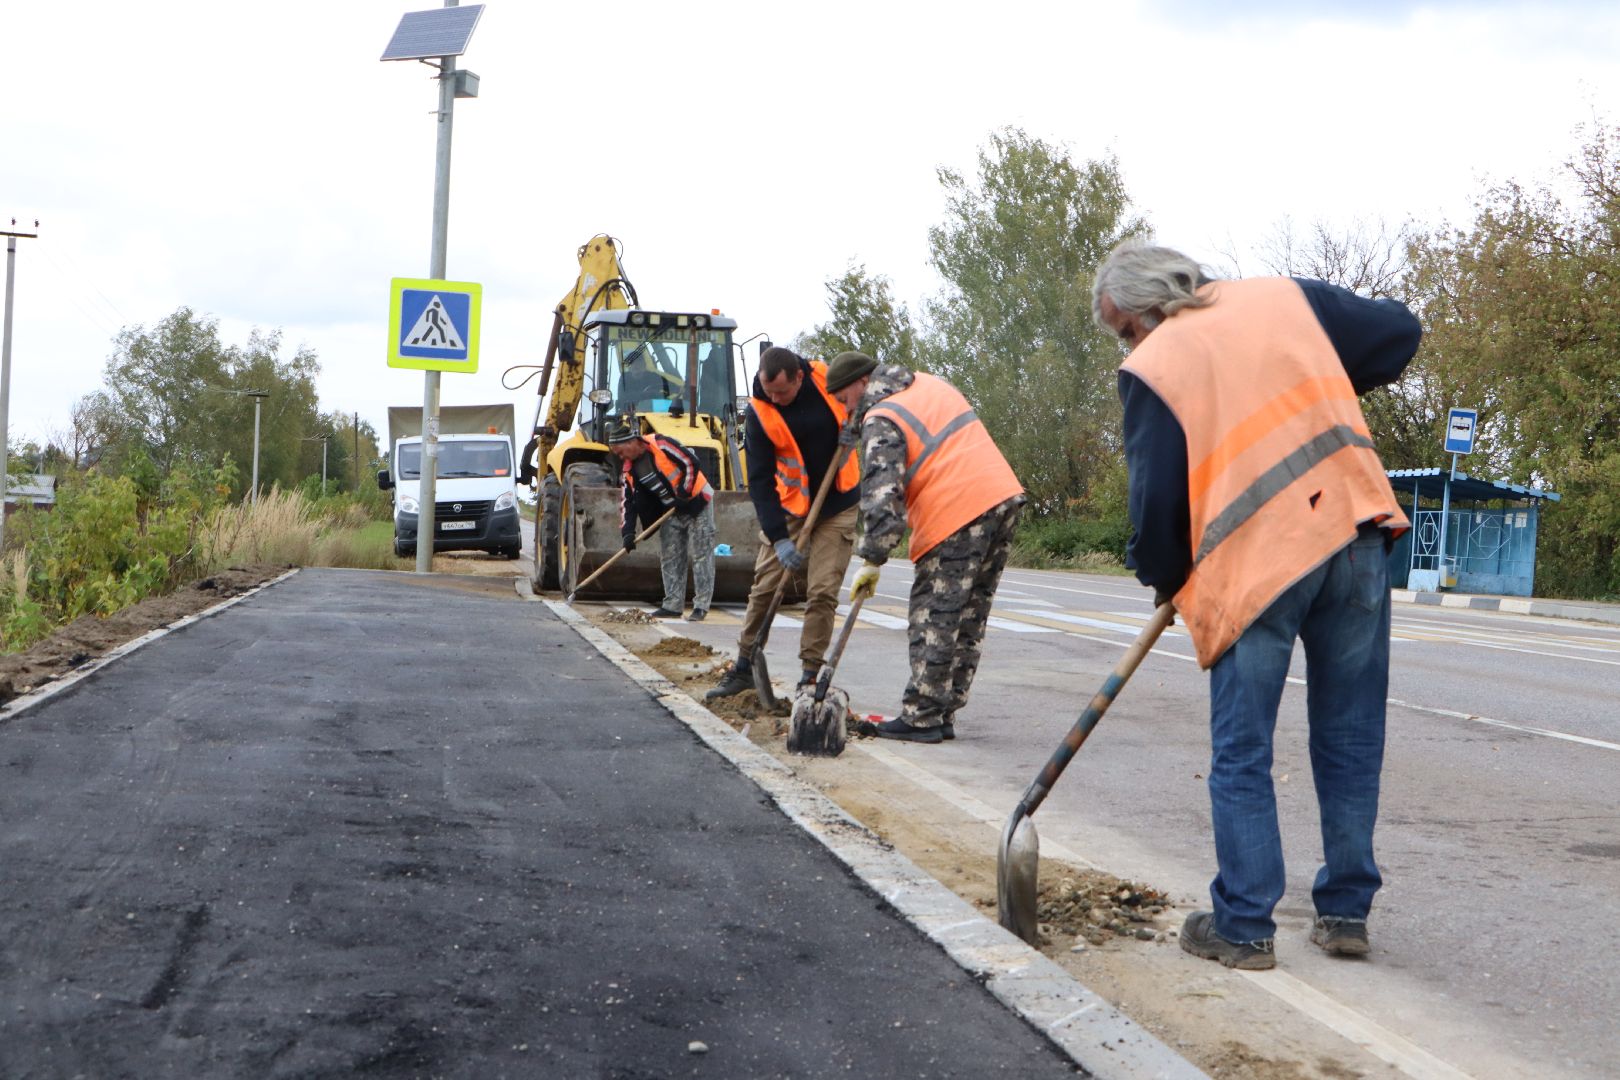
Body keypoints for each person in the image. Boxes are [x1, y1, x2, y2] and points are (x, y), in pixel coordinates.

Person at [1093, 240, 1422, 971]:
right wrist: (1315, 373)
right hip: (1356, 531)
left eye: (1124, 329)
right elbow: (1400, 330)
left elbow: (1155, 501)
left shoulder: (1155, 365)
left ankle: (1243, 926)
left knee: (1242, 749)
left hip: (1261, 560)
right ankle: (1344, 912)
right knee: (1350, 737)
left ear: (1151, 305)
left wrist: (1163, 574)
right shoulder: (1283, 299)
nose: (1128, 343)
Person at [825, 351, 1026, 745]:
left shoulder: (882, 416)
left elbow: (883, 499)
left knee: (934, 614)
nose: (845, 407)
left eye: (843, 399)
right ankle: (943, 709)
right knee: (969, 615)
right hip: (1002, 498)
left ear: (861, 384)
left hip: (958, 510)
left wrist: (872, 558)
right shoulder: (925, 384)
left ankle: (922, 717)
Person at [705, 347, 861, 699]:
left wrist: (856, 434)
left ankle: (809, 674)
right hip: (791, 509)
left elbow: (864, 400)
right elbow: (759, 482)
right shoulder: (760, 414)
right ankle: (743, 665)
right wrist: (778, 538)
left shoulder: (826, 377)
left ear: (799, 377)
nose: (773, 398)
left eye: (781, 392)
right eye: (767, 390)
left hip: (838, 504)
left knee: (821, 592)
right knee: (763, 589)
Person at [606, 419, 715, 621]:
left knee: (701, 554)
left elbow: (691, 462)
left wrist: (684, 492)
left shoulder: (661, 444)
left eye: (620, 452)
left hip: (698, 501)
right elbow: (627, 503)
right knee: (671, 557)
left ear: (631, 442)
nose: (620, 457)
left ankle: (701, 606)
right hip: (670, 510)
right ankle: (672, 605)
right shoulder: (629, 470)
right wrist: (628, 532)